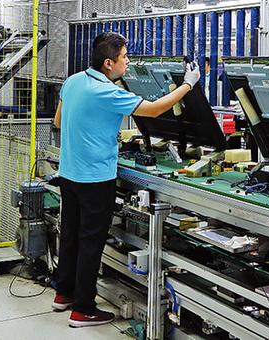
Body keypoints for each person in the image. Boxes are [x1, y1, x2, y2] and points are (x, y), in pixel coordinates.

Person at [52, 32, 200, 328]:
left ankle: (63, 294)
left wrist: (94, 130)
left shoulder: (73, 81)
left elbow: (58, 121)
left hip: (69, 174)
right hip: (95, 179)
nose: (128, 61)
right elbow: (155, 109)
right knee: (91, 242)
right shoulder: (106, 92)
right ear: (109, 63)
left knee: (70, 236)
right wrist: (188, 84)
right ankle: (83, 310)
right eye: (124, 57)